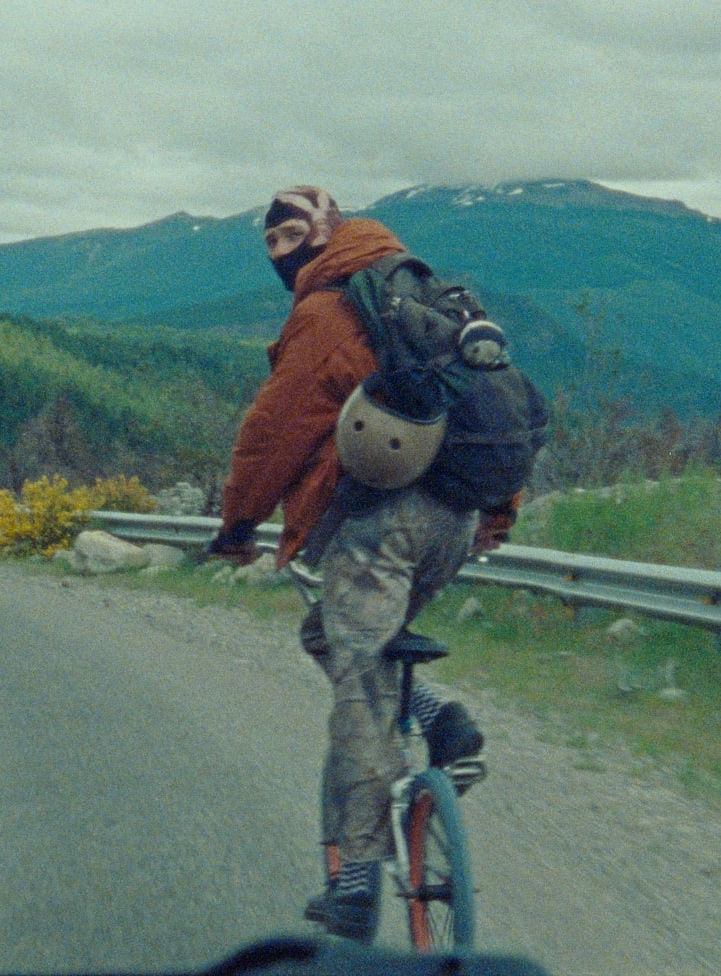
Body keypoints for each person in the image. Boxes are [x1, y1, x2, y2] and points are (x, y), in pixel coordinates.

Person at [206, 186, 516, 944]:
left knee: (362, 696)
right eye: (270, 243)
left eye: (290, 237)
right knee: (335, 639)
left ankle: (353, 888)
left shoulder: (328, 310)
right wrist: (498, 510)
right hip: (452, 518)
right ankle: (438, 718)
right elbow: (496, 405)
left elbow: (275, 429)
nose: (281, 254)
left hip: (379, 521)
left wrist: (239, 522)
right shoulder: (430, 299)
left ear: (326, 232)